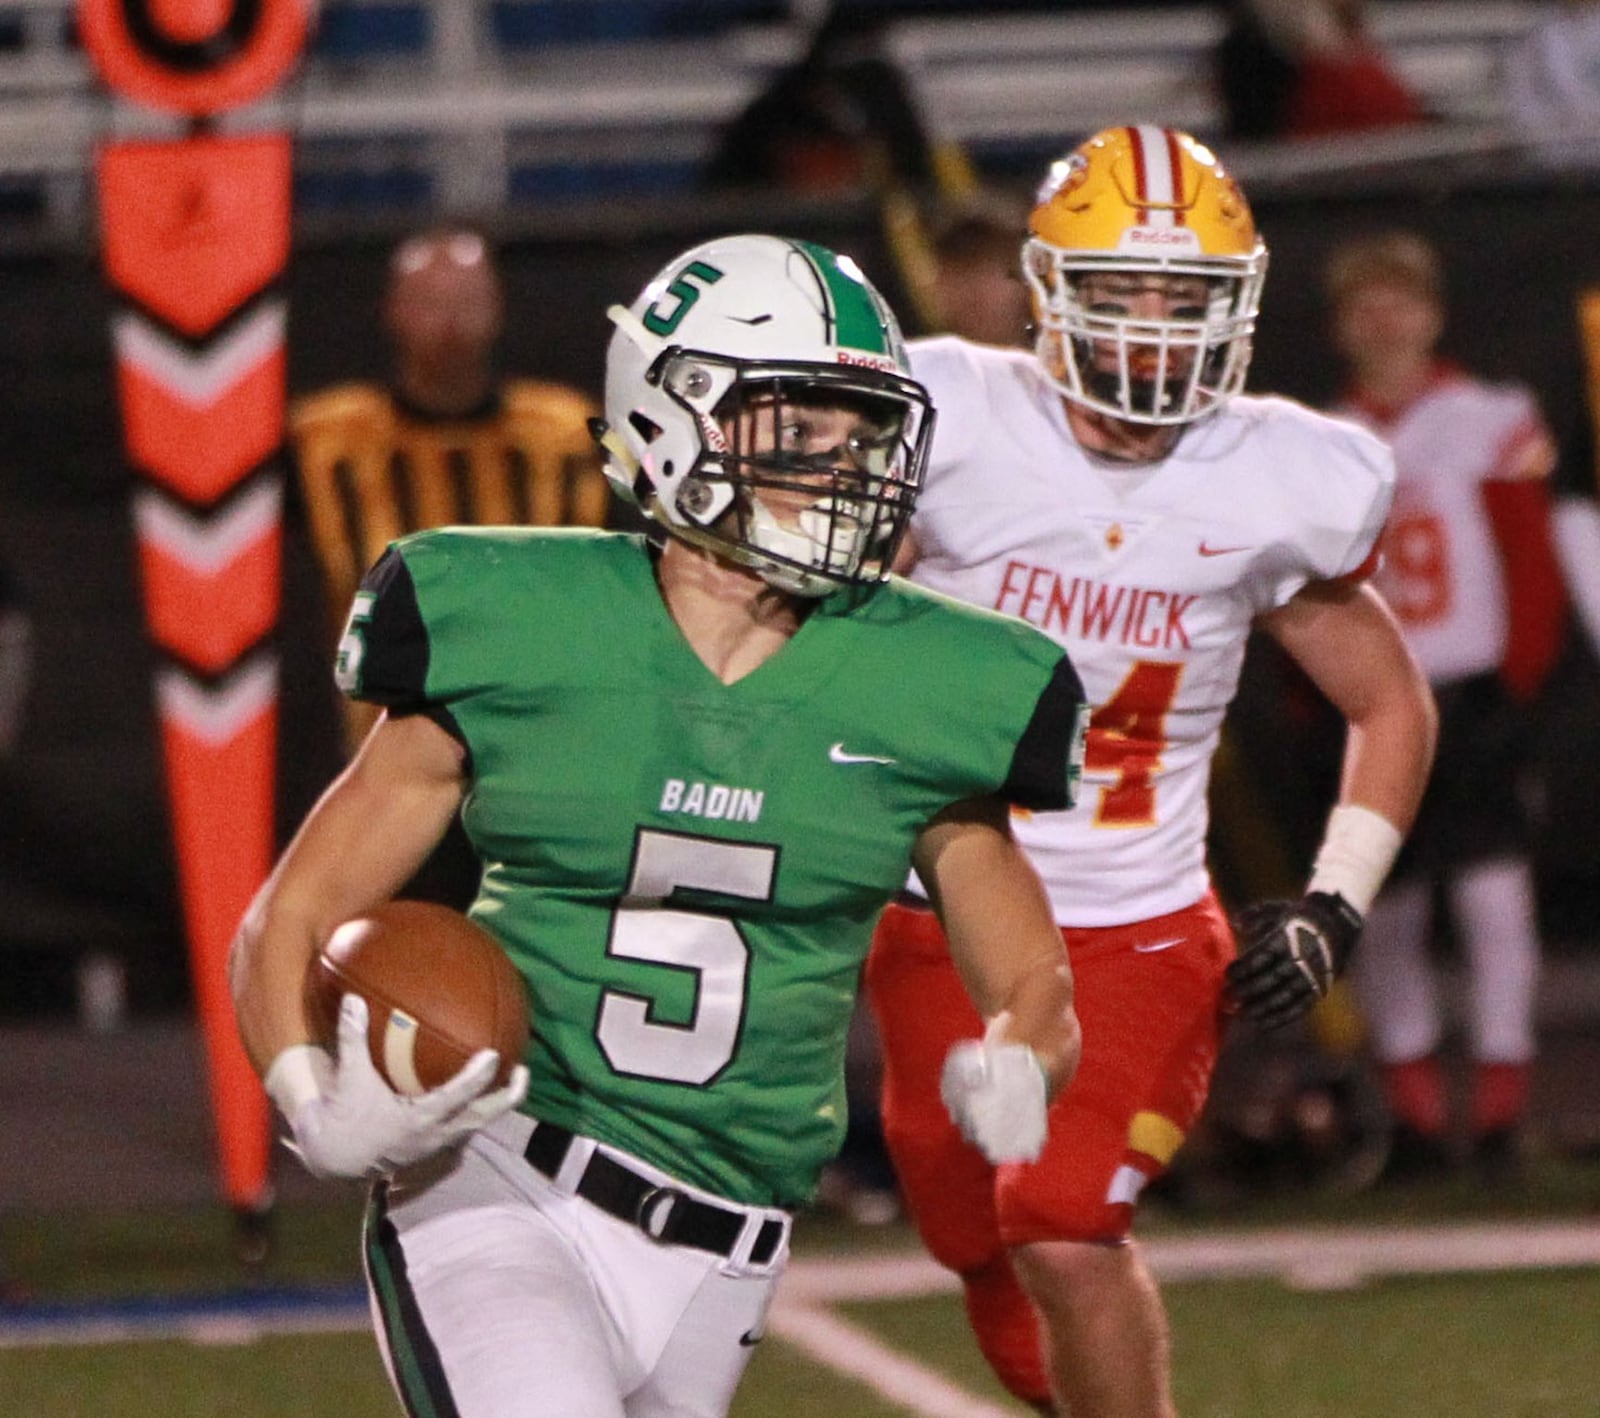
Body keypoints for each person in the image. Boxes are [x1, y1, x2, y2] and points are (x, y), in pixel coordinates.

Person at [230, 233, 1089, 1418]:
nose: (840, 462)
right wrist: (305, 1093)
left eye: (861, 428)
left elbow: (1031, 973)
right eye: (799, 425)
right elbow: (294, 912)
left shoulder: (932, 682)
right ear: (671, 413)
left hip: (730, 1242)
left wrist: (1026, 1058)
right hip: (499, 1182)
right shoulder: (521, 622)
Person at [864, 125, 1438, 1417]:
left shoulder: (1284, 472)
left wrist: (1334, 895)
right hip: (934, 921)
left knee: (1062, 1224)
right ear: (1049, 290)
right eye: (1123, 293)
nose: (1154, 331)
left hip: (1134, 928)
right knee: (978, 1241)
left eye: (1184, 298)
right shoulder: (949, 415)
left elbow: (1388, 698)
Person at [1325, 229, 1568, 1181]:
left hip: (1469, 693)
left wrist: (1521, 683)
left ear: (1432, 312)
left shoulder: (1491, 415)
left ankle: (1502, 1111)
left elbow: (1529, 559)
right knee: (1385, 903)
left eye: (1401, 299)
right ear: (1342, 325)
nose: (1386, 319)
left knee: (1493, 896)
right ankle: (1419, 1120)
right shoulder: (1325, 435)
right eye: (1366, 303)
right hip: (1374, 693)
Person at [291, 225, 613, 757]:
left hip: (539, 737)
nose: (450, 322)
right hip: (375, 743)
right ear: (392, 310)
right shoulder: (326, 440)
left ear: (498, 309)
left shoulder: (565, 435)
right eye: (429, 303)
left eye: (468, 301)